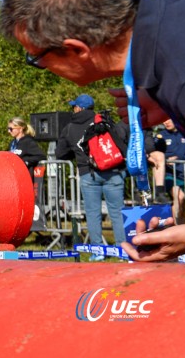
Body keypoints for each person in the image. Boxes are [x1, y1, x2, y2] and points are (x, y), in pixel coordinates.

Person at [0, 0, 185, 261]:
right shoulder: (171, 0)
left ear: (77, 50)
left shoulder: (181, 77)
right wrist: (164, 97)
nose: (39, 66)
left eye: (35, 58)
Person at [55, 94, 127, 257]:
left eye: (74, 106)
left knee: (93, 212)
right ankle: (122, 250)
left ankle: (98, 251)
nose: (73, 109)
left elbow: (60, 153)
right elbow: (119, 140)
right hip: (113, 171)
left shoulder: (70, 127)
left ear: (79, 108)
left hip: (88, 174)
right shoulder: (102, 120)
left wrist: (76, 154)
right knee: (117, 211)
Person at [155, 119, 185, 224]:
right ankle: (176, 226)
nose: (166, 122)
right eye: (164, 120)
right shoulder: (160, 136)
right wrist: (168, 159)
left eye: (169, 120)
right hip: (170, 175)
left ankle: (181, 226)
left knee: (182, 204)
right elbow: (156, 154)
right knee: (179, 197)